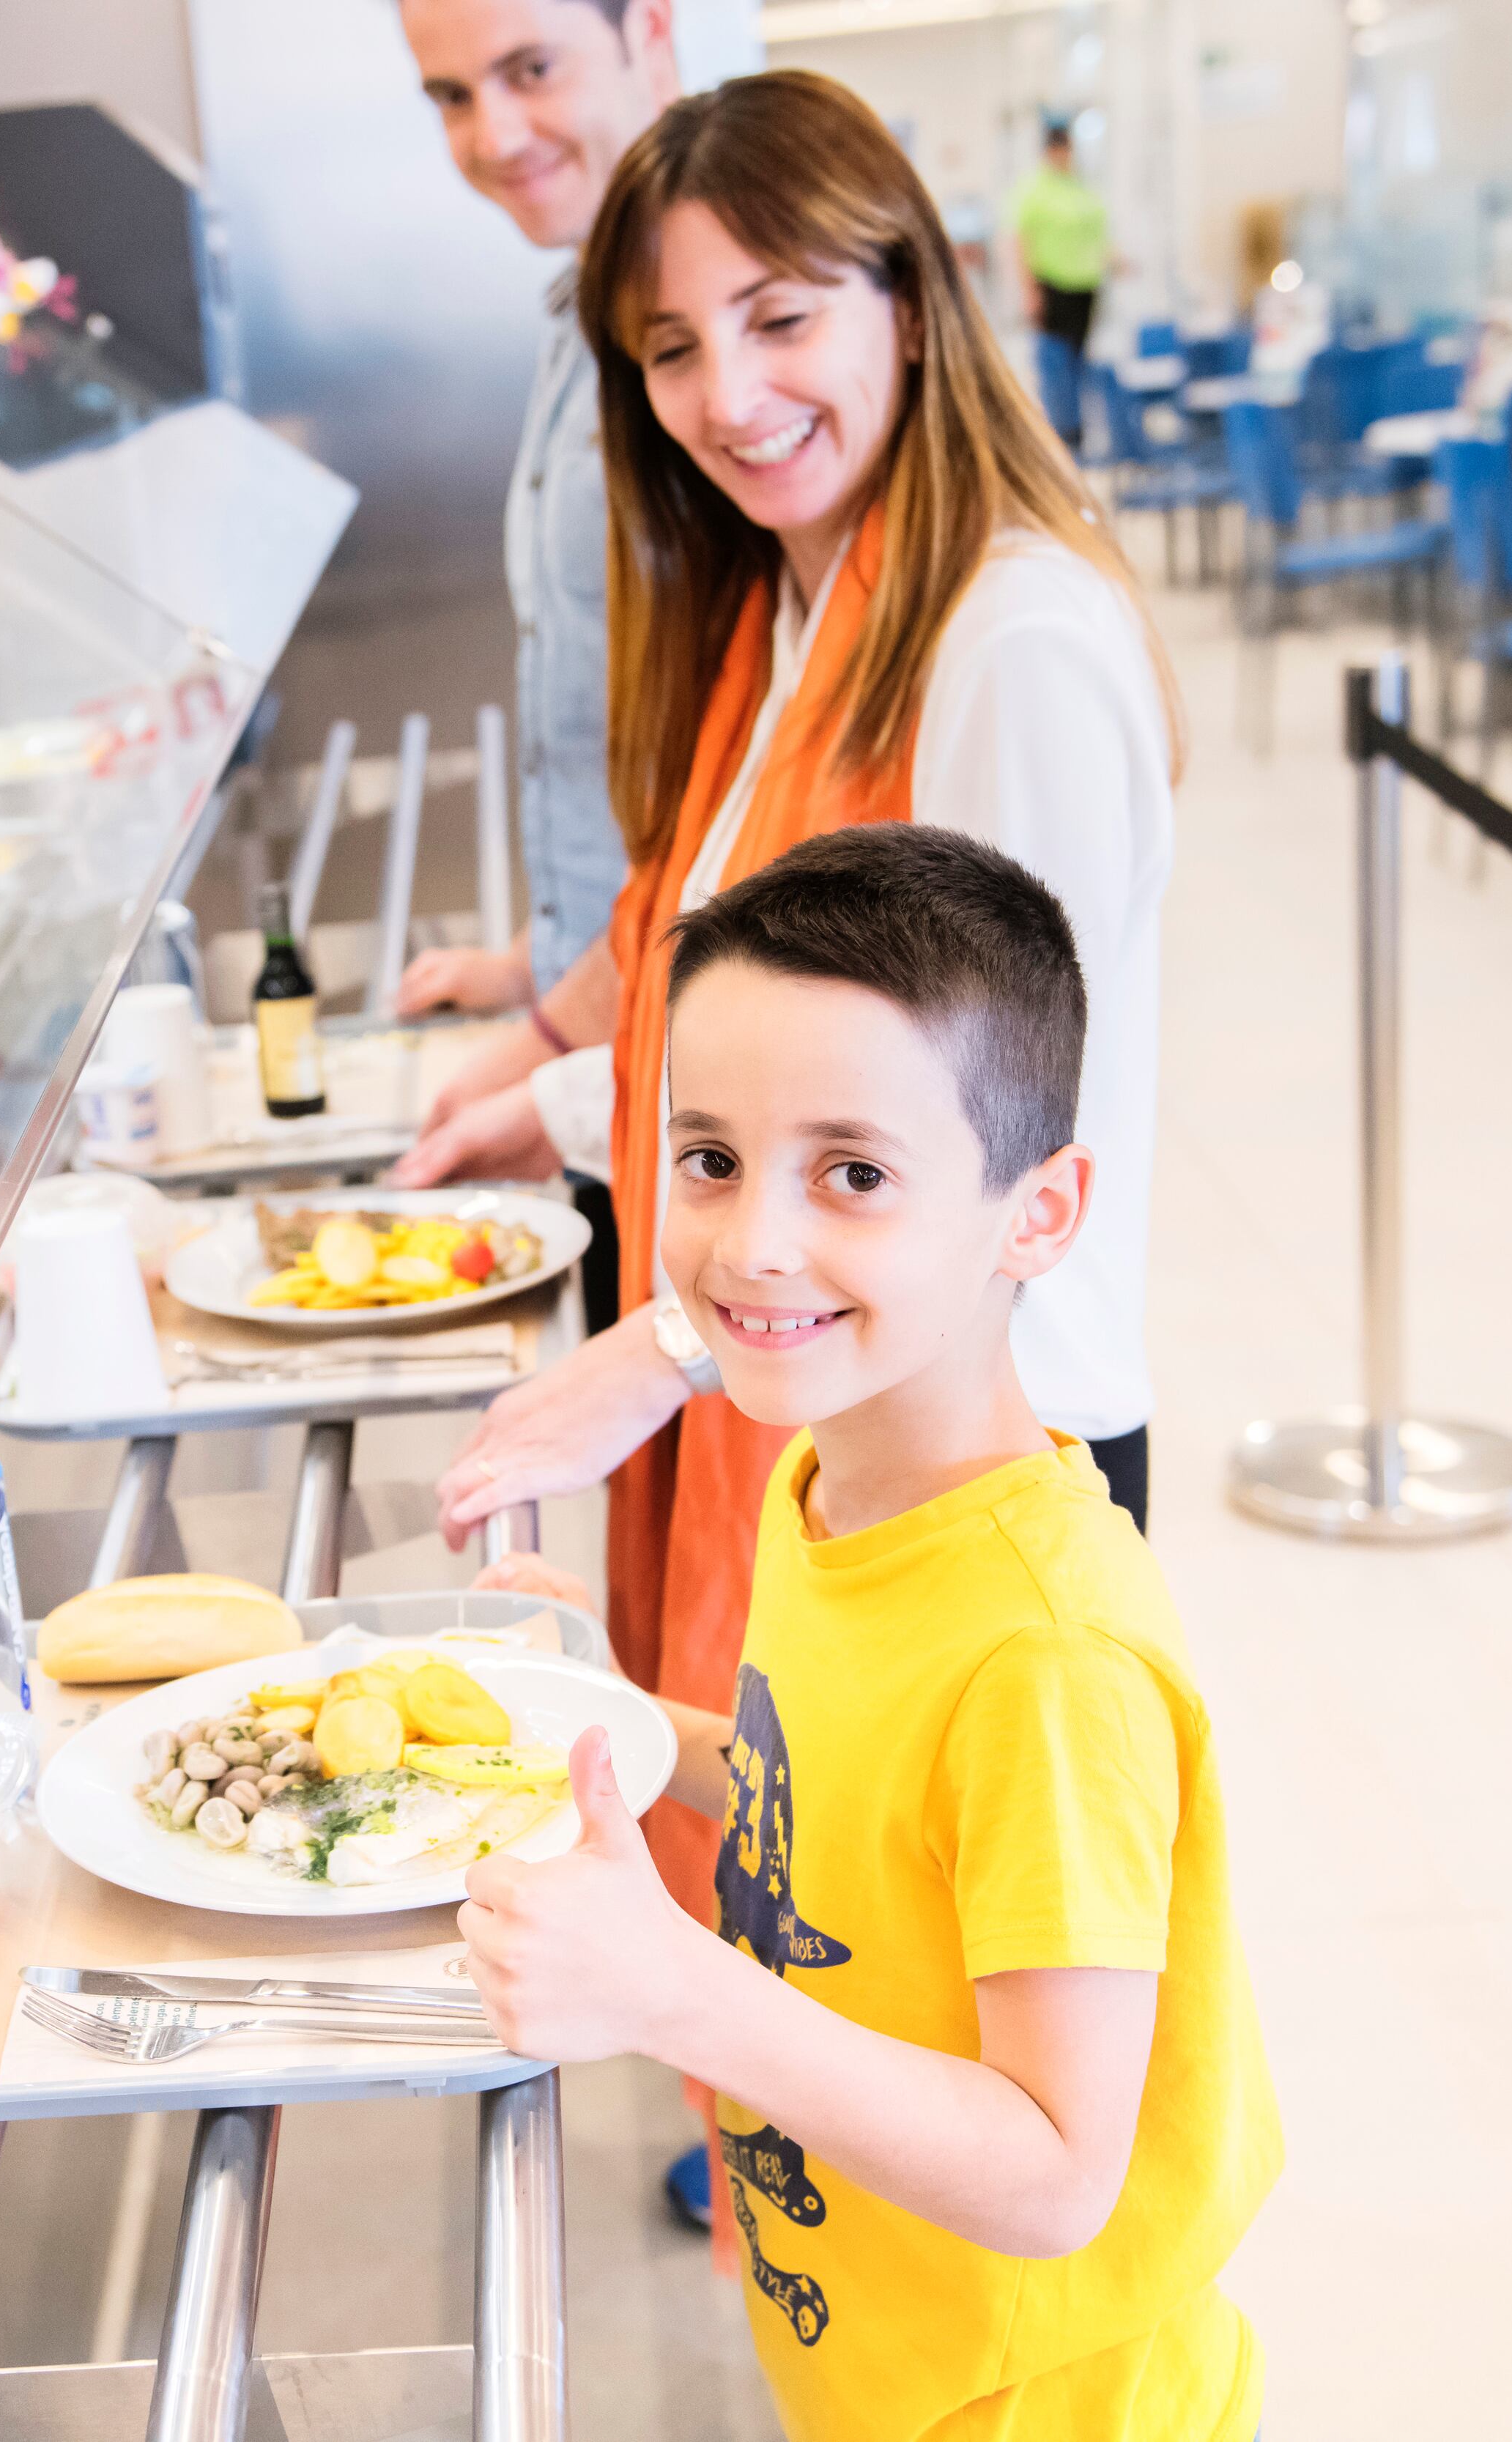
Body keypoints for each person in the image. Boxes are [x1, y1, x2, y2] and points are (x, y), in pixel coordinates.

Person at [409, 73, 1179, 2223]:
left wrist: (655, 1342)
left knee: (983, 2046)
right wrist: (555, 1105)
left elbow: (958, 1112)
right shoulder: (786, 592)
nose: (724, 395)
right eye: (666, 347)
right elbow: (755, 982)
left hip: (978, 1436)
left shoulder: (1003, 629)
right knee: (822, 1892)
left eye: (777, 315)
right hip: (844, 1405)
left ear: (907, 301)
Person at [459, 826, 1278, 2440]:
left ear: (1037, 1215)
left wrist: (671, 1990)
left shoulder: (1044, 1665)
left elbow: (1053, 2170)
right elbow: (824, 1792)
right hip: (883, 2370)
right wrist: (622, 1716)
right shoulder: (829, 1479)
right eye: (708, 1156)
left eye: (852, 1173)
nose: (753, 1241)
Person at [386, 0, 679, 1332]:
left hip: (684, 1041)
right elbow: (622, 695)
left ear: (652, 31)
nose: (493, 133)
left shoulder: (699, 339)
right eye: (450, 94)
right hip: (620, 999)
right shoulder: (581, 305)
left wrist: (561, 1033)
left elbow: (740, 774)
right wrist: (540, 954)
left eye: (531, 69)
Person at [1011, 122, 1109, 451]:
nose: (1063, 156)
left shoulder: (1080, 187)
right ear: (1048, 152)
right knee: (1056, 363)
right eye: (1057, 150)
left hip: (1086, 285)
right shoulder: (1037, 190)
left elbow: (1097, 232)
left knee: (1080, 362)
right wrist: (1029, 291)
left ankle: (1079, 431)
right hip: (1053, 284)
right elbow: (1021, 240)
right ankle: (1061, 434)